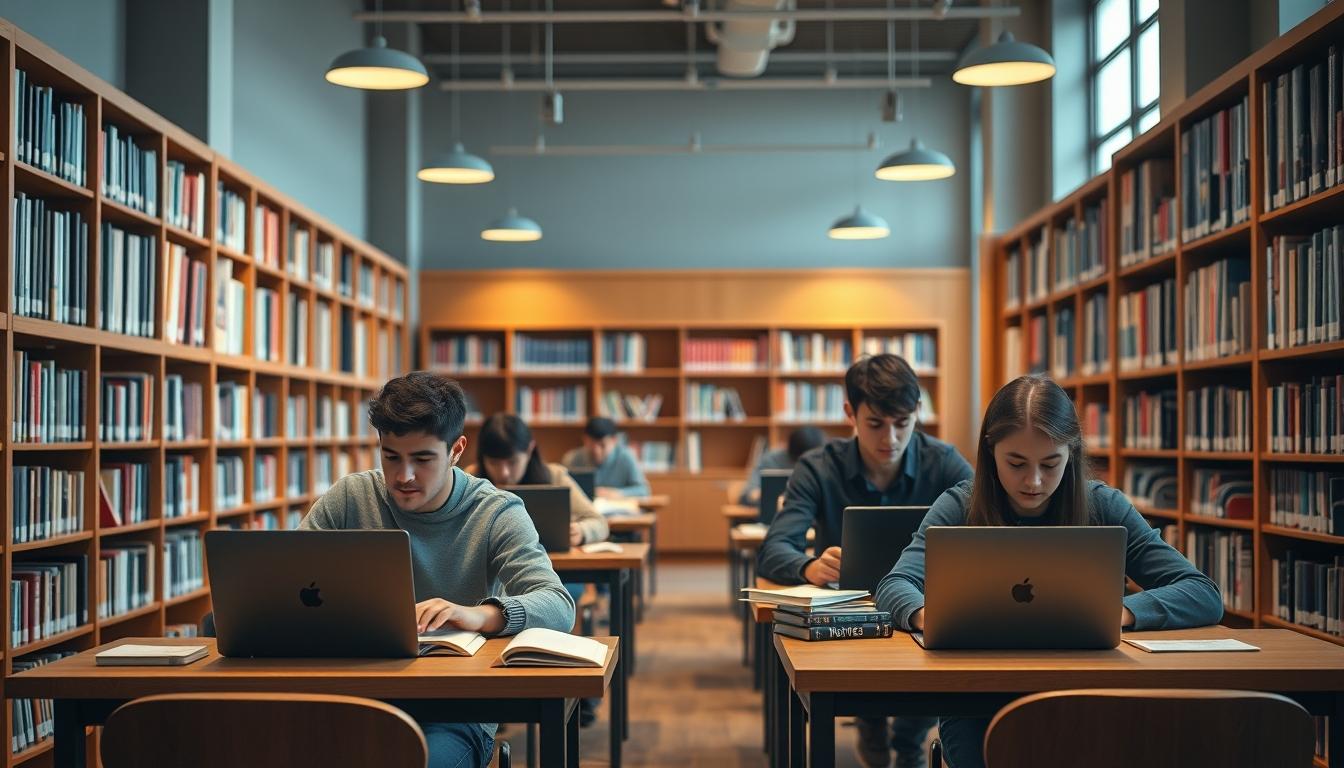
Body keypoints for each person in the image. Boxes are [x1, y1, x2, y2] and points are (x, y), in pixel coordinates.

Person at [875, 375, 1224, 768]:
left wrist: (1122, 612)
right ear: (991, 452)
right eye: (1017, 463)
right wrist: (929, 616)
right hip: (978, 700)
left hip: (1088, 693)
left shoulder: (1103, 507)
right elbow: (894, 584)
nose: (1034, 481)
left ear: (1071, 454)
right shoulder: (960, 507)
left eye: (1050, 463)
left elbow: (1202, 591)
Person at [300, 372, 575, 768]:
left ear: (456, 450)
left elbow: (559, 605)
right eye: (391, 456)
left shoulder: (496, 510)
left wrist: (480, 614)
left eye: (423, 459)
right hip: (351, 695)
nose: (403, 476)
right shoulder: (351, 497)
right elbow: (287, 577)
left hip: (454, 712)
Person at [757, 354, 972, 768]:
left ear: (917, 415)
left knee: (917, 714)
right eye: (876, 424)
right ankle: (872, 721)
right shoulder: (818, 467)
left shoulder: (944, 462)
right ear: (849, 413)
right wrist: (808, 567)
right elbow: (774, 548)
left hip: (925, 609)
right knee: (866, 706)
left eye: (902, 423)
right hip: (849, 615)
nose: (890, 438)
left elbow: (986, 533)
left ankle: (907, 737)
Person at [468, 412, 610, 549]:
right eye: (493, 463)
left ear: (529, 450)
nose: (504, 473)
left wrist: (581, 531)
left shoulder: (554, 476)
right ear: (482, 457)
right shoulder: (471, 479)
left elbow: (600, 522)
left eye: (512, 462)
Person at [561, 416, 651, 498]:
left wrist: (618, 493)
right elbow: (562, 489)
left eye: (602, 445)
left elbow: (643, 490)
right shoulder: (573, 458)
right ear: (584, 440)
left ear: (614, 441)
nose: (597, 451)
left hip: (619, 512)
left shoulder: (626, 457)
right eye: (591, 445)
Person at [738, 425, 827, 505]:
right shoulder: (770, 460)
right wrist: (767, 495)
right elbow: (747, 496)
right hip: (773, 517)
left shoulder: (827, 462)